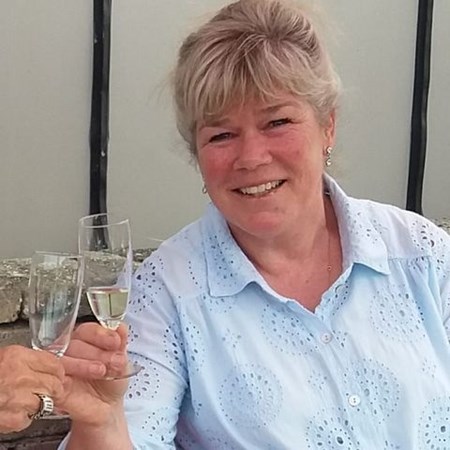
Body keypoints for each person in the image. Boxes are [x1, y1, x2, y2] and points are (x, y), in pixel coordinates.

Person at [57, 0, 450, 448]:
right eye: (221, 135)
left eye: (277, 121)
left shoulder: (421, 253)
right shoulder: (167, 294)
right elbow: (129, 433)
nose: (251, 157)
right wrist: (101, 424)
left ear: (328, 126)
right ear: (197, 154)